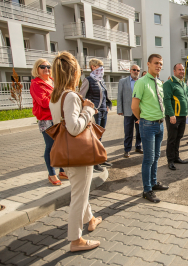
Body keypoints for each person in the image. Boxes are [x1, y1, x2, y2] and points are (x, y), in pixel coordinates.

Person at [49, 51, 102, 252]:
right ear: (73, 73)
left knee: (80, 191)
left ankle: (90, 220)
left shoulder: (55, 97)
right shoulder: (70, 96)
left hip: (66, 153)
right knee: (79, 197)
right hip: (79, 154)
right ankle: (75, 240)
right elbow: (73, 127)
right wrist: (88, 110)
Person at [131, 54, 169, 203]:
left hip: (160, 124)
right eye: (156, 63)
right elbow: (134, 106)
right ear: (148, 64)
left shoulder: (159, 82)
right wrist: (141, 119)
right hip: (147, 124)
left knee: (156, 156)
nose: (159, 66)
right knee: (148, 159)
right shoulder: (141, 82)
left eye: (160, 63)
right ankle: (147, 190)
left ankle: (153, 182)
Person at [30, 58, 67, 186]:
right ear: (37, 69)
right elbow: (44, 102)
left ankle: (62, 171)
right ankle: (52, 174)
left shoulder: (52, 81)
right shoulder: (36, 84)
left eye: (48, 66)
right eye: (42, 66)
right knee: (51, 146)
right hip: (46, 119)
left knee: (61, 145)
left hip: (57, 117)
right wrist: (59, 97)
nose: (46, 69)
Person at [79, 58, 112, 172]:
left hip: (103, 111)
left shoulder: (101, 80)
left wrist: (108, 105)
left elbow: (105, 96)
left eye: (102, 66)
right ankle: (93, 163)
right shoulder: (88, 80)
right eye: (99, 66)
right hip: (95, 113)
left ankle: (100, 159)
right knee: (93, 138)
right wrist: (90, 108)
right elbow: (81, 97)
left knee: (99, 137)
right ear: (93, 67)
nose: (102, 69)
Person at [163, 63, 188, 170]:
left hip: (182, 116)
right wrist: (171, 114)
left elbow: (186, 99)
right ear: (174, 71)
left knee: (179, 137)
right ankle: (170, 160)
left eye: (183, 70)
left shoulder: (184, 84)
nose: (181, 71)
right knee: (172, 138)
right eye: (179, 69)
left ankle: (176, 157)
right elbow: (166, 100)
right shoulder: (169, 83)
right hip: (173, 117)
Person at [117, 64, 143, 158]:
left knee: (139, 130)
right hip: (127, 111)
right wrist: (119, 109)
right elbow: (119, 96)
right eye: (134, 70)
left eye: (138, 70)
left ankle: (138, 147)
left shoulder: (142, 81)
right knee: (128, 132)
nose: (136, 71)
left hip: (139, 111)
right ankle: (127, 150)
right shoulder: (123, 81)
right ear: (130, 71)